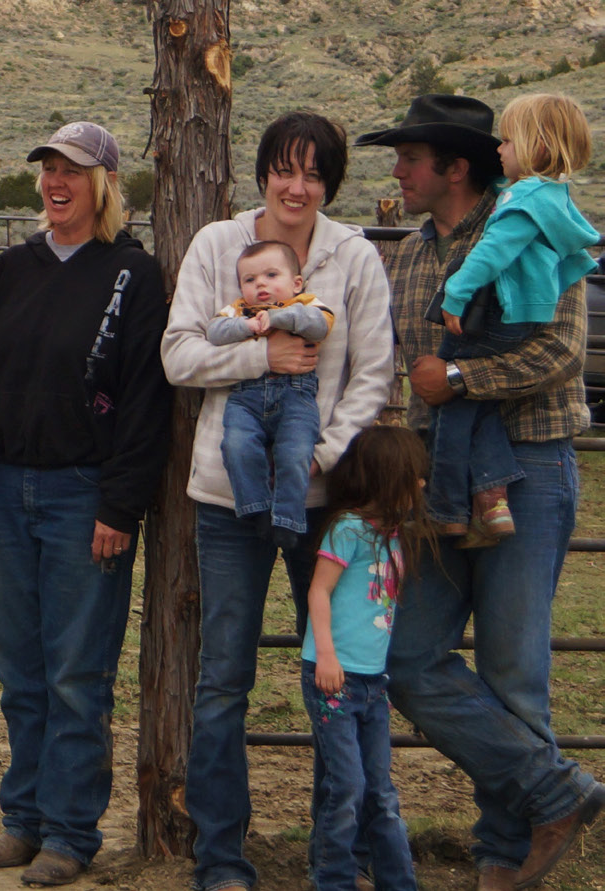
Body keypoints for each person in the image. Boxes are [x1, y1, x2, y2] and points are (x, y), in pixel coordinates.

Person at [356, 93, 605, 891]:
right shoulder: (411, 252)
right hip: (438, 473)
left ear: (452, 167)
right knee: (409, 655)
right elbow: (400, 374)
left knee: (511, 663)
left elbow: (564, 351)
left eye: (409, 158)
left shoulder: (530, 225)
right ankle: (555, 790)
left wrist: (461, 377)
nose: (397, 171)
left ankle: (505, 853)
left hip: (528, 465)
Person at [161, 110, 395, 891]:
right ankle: (220, 855)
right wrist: (263, 353)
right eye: (284, 169)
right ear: (261, 172)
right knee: (224, 674)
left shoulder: (352, 255)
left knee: (337, 670)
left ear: (330, 183)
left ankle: (343, 850)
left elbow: (372, 373)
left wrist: (321, 455)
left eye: (315, 173)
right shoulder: (217, 246)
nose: (297, 187)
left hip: (324, 497)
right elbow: (179, 353)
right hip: (229, 498)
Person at [0, 121, 171, 887]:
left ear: (102, 181)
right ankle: (23, 821)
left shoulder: (133, 274)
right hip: (9, 486)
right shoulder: (16, 267)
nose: (54, 182)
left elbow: (144, 401)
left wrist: (120, 504)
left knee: (77, 670)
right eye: (47, 170)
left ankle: (71, 830)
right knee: (19, 664)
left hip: (83, 494)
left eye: (71, 170)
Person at [421, 93, 596, 546]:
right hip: (524, 317)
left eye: (508, 141)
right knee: (473, 406)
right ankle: (490, 500)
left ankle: (448, 507)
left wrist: (455, 299)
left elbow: (491, 254)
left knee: (451, 402)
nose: (500, 151)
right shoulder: (550, 200)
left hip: (535, 444)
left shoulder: (519, 205)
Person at [298, 426, 431, 891]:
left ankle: (399, 881)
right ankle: (332, 879)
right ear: (388, 477)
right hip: (334, 678)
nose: (422, 485)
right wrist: (327, 657)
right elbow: (319, 591)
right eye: (414, 476)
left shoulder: (394, 535)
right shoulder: (347, 528)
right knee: (348, 786)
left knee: (381, 791)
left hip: (373, 684)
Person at [207, 240, 335, 545]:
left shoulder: (306, 304)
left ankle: (288, 520)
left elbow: (319, 326)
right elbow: (214, 332)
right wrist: (248, 326)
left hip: (296, 395)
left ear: (296, 283)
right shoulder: (239, 309)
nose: (260, 284)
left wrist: (278, 318)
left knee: (294, 453)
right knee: (236, 446)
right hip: (245, 396)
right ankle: (257, 509)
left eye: (271, 276)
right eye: (249, 280)